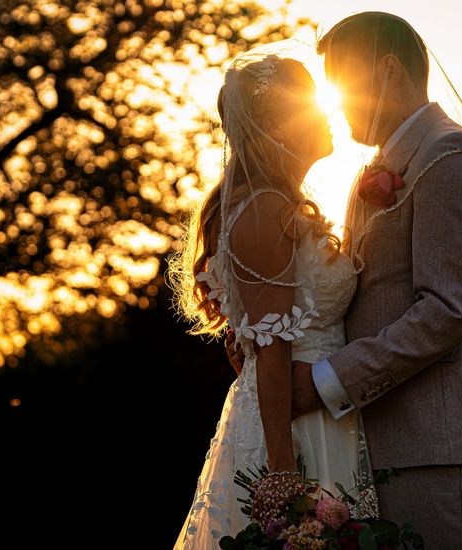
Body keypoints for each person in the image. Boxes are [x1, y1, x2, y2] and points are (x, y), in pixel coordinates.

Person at [224, 11, 462, 549]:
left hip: (436, 441)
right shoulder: (372, 172)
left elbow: (447, 310)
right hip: (366, 440)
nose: (336, 104)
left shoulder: (452, 156)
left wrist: (323, 381)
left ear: (387, 71)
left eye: (344, 85)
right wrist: (258, 331)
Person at [166, 49, 377, 550]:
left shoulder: (276, 204)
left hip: (323, 407)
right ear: (278, 126)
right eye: (310, 103)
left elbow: (257, 332)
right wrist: (284, 471)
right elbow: (274, 346)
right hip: (298, 427)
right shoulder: (264, 209)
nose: (326, 112)